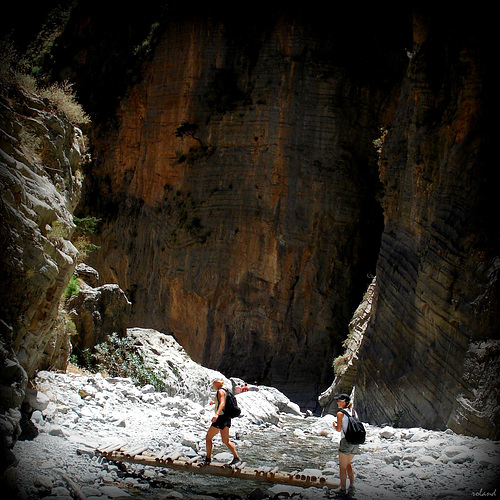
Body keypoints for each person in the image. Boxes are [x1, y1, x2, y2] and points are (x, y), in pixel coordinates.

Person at [203, 378, 241, 466]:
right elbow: (223, 402)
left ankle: (208, 458)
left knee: (208, 437)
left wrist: (216, 414)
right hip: (227, 418)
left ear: (217, 383)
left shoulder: (220, 391)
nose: (213, 386)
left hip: (221, 418)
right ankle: (236, 458)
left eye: (213, 384)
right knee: (225, 440)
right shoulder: (226, 390)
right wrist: (214, 403)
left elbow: (222, 403)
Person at [333, 393, 359, 496]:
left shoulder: (340, 413)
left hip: (346, 441)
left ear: (344, 402)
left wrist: (334, 424)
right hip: (355, 442)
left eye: (339, 401)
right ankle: (352, 486)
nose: (337, 402)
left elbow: (339, 429)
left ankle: (342, 489)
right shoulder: (354, 412)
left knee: (342, 467)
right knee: (348, 464)